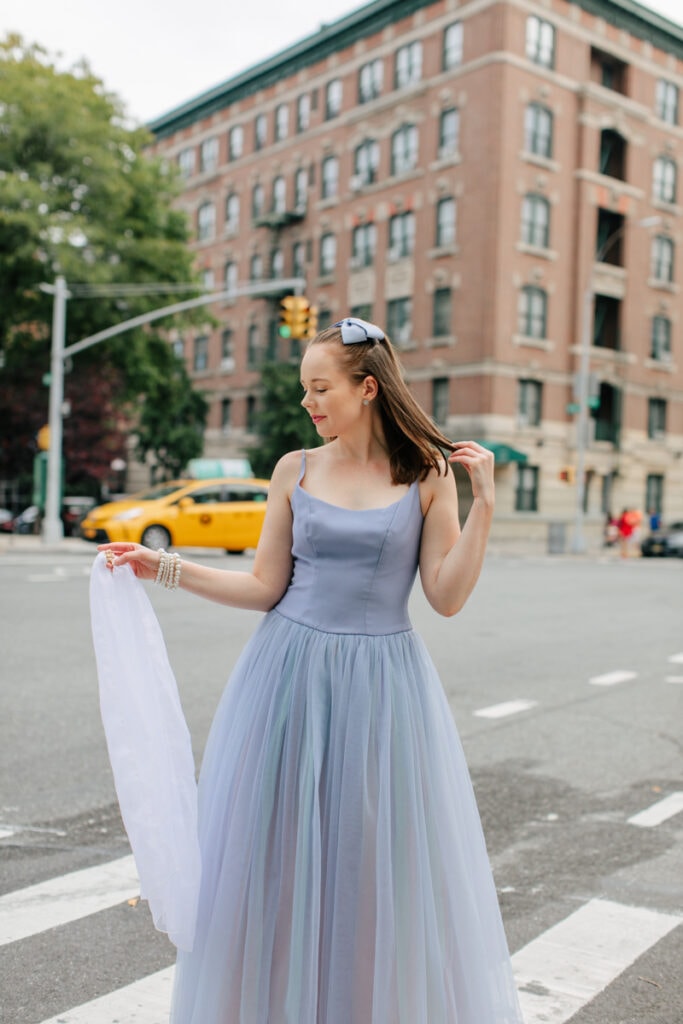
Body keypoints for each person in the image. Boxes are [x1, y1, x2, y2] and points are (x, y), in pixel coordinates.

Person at [99, 317, 523, 1024]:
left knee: (367, 870)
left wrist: (482, 506)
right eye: (305, 390)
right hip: (285, 678)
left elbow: (445, 597)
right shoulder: (294, 468)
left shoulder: (424, 473)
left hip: (383, 689)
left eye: (320, 388)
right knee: (274, 865)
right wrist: (162, 566)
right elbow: (264, 585)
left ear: (366, 388)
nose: (308, 403)